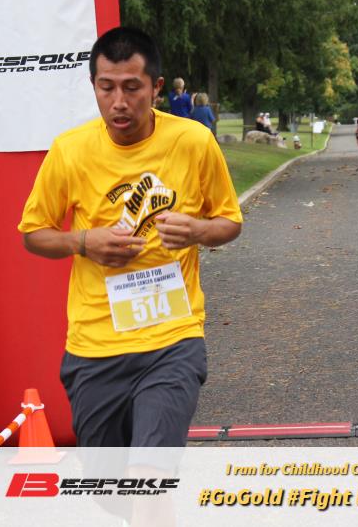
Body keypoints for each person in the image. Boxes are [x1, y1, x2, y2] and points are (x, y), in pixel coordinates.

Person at [18, 26, 242, 451]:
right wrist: (84, 242)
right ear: (93, 85)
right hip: (95, 345)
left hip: (173, 338)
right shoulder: (70, 150)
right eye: (107, 88)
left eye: (132, 88)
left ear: (156, 87)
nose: (118, 102)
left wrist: (197, 231)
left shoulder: (193, 141)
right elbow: (34, 234)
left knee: (148, 471)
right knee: (109, 481)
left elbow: (229, 221)